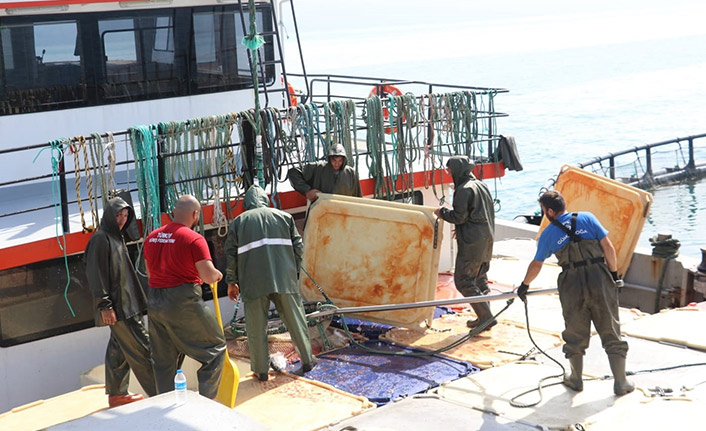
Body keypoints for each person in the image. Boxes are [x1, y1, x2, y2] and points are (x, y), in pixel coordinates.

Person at [517, 190, 634, 396]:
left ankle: (576, 379)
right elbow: (608, 248)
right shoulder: (588, 218)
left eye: (544, 211)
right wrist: (614, 275)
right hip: (599, 276)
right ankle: (621, 382)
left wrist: (524, 286)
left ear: (550, 211)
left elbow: (536, 264)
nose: (544, 214)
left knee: (575, 330)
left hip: (571, 282)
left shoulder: (548, 234)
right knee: (610, 328)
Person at [224, 185, 316, 381]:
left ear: (246, 203)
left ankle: (261, 371)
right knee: (295, 320)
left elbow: (231, 255)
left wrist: (232, 282)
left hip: (253, 283)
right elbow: (299, 247)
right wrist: (296, 270)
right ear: (265, 200)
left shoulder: (239, 222)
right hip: (284, 280)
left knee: (256, 328)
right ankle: (307, 359)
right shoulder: (284, 217)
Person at [142, 195, 226, 399]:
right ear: (195, 214)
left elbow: (150, 274)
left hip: (154, 301)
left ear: (174, 212)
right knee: (214, 348)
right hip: (182, 301)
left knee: (164, 361)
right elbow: (207, 276)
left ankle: (167, 406)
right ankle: (208, 403)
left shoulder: (152, 237)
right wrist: (217, 274)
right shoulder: (194, 239)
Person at [84, 196, 156, 407]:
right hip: (121, 308)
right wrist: (105, 305)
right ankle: (163, 393)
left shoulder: (116, 238)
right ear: (109, 215)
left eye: (125, 215)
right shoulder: (101, 239)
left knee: (119, 351)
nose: (122, 219)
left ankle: (117, 395)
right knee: (143, 351)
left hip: (127, 305)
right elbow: (96, 274)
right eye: (118, 215)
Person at [434, 156, 497, 331]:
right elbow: (479, 214)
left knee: (464, 281)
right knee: (480, 280)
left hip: (472, 244)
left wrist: (442, 212)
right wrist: (463, 228)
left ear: (457, 170)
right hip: (486, 239)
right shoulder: (481, 185)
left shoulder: (463, 189)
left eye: (449, 170)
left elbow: (459, 216)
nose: (448, 173)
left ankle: (486, 317)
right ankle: (484, 317)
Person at [288, 143, 362, 202]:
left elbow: (358, 197)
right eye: (334, 160)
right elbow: (293, 172)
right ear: (329, 159)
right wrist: (307, 191)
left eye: (340, 161)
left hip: (344, 211)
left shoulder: (351, 173)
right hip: (322, 211)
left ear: (344, 160)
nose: (337, 164)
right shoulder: (318, 168)